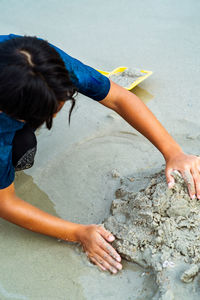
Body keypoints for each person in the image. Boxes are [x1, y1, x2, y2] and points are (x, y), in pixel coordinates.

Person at [0, 34, 200, 275]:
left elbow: (118, 98)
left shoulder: (41, 62)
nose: (57, 112)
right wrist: (77, 233)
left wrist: (173, 152)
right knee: (22, 146)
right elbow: (5, 202)